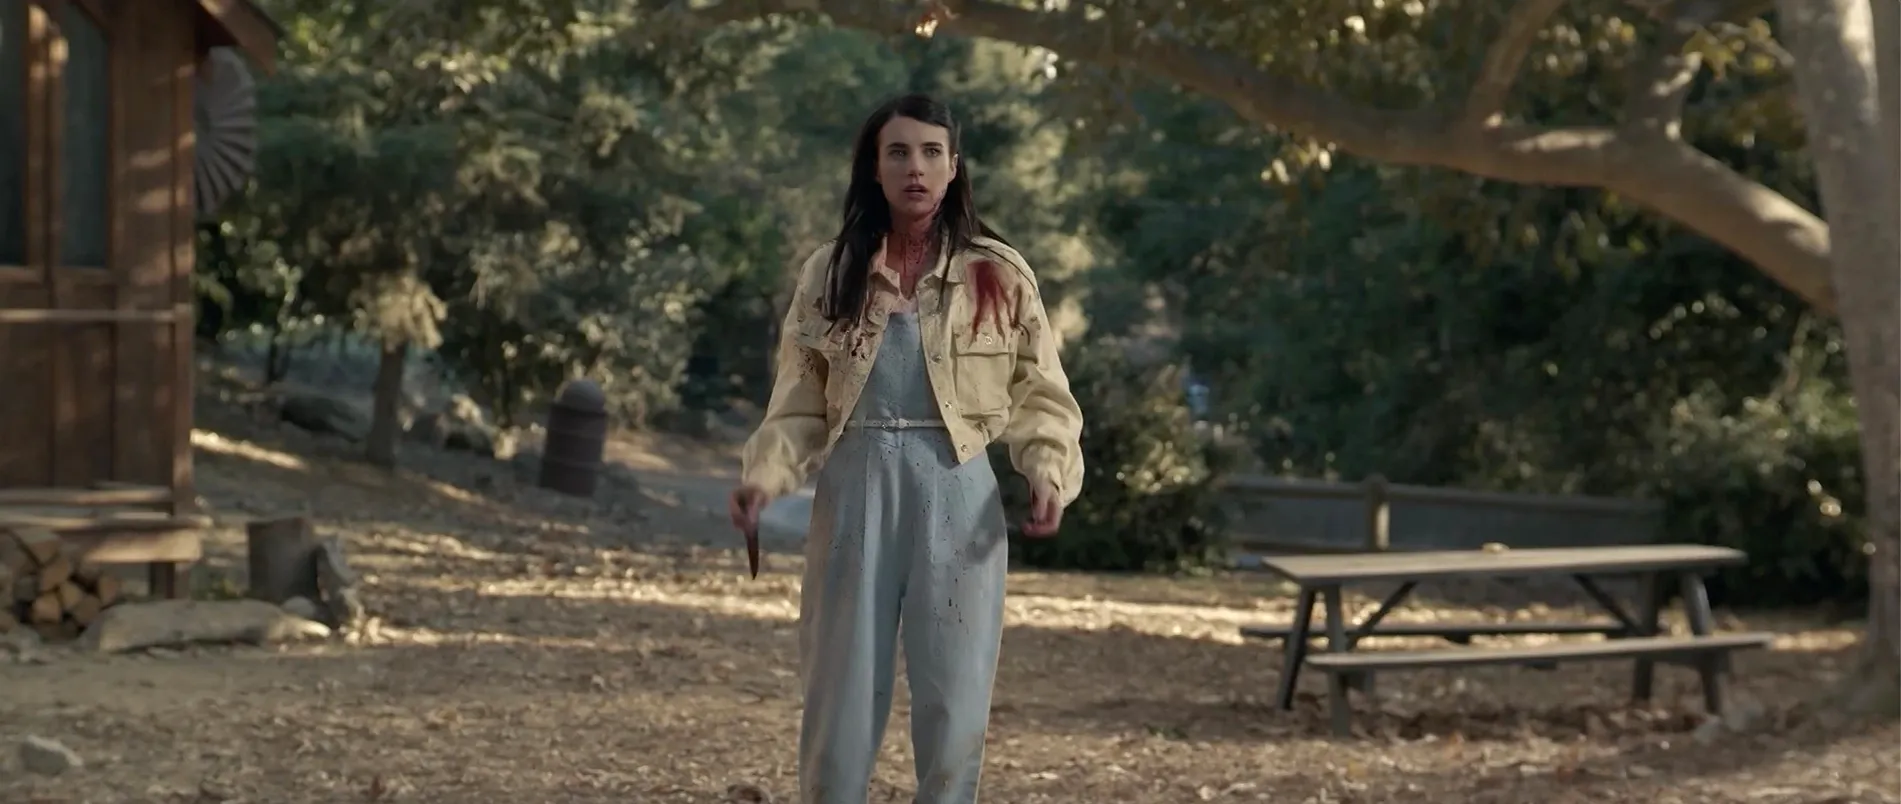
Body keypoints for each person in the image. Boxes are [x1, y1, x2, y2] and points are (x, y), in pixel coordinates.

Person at [728, 93, 1085, 804]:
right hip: (854, 487)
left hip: (958, 489)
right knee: (839, 688)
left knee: (955, 692)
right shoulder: (830, 272)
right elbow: (798, 401)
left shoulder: (998, 273)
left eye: (930, 152)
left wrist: (1047, 473)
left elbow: (1041, 393)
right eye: (897, 152)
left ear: (953, 167)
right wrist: (764, 476)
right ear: (874, 167)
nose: (914, 168)